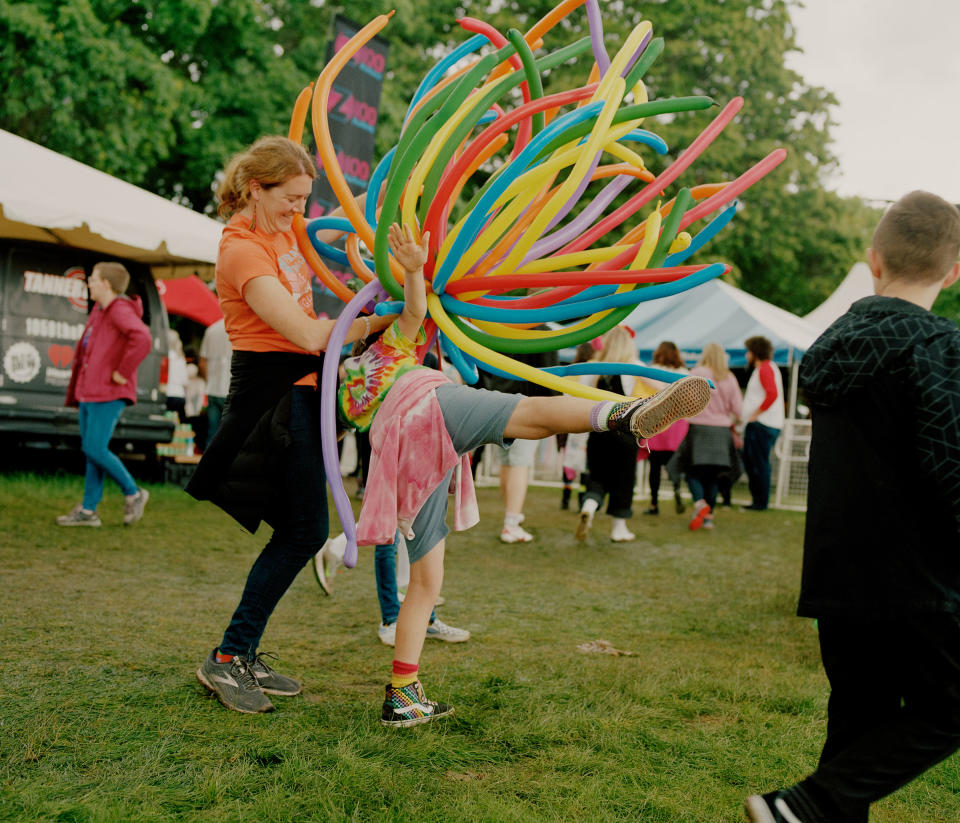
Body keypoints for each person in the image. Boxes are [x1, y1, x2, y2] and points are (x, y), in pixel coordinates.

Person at [340, 223, 711, 727]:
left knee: (426, 583)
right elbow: (414, 311)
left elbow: (343, 413)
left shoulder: (348, 384)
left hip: (403, 463)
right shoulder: (392, 350)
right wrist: (411, 271)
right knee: (529, 414)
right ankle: (620, 414)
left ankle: (402, 695)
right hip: (431, 409)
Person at [746, 191, 960, 823]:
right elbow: (951, 465)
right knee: (948, 706)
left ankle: (807, 812)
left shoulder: (828, 346)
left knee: (858, 726)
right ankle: (806, 805)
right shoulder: (938, 348)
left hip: (840, 574)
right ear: (953, 272)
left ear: (874, 260)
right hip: (917, 579)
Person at [185, 135, 393, 715]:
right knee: (303, 532)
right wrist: (377, 322)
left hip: (301, 394)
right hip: (271, 400)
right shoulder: (242, 250)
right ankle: (228, 658)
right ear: (256, 188)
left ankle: (239, 653)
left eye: (306, 199)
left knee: (298, 531)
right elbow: (305, 335)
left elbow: (351, 220)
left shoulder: (284, 233)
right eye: (291, 198)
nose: (300, 210)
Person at [57, 261, 152, 528]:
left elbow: (142, 338)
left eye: (94, 279)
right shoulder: (101, 310)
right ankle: (88, 512)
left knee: (94, 448)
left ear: (107, 284)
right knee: (92, 451)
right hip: (91, 391)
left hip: (107, 392)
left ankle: (133, 492)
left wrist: (122, 371)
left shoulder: (119, 309)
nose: (89, 282)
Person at [576, 326, 644, 542]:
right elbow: (660, 386)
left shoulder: (594, 368)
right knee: (623, 481)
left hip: (598, 431)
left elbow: (576, 395)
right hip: (625, 434)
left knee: (597, 477)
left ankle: (589, 505)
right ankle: (619, 528)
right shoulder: (634, 366)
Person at [673, 343, 742, 531]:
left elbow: (680, 397)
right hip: (721, 432)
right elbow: (738, 409)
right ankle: (708, 518)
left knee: (692, 472)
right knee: (713, 476)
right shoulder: (729, 377)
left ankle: (699, 503)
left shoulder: (696, 373)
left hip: (698, 429)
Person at [641, 341, 689, 516]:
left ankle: (654, 504)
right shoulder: (685, 373)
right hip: (677, 423)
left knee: (654, 466)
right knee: (673, 463)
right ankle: (676, 488)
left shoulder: (652, 370)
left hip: (657, 421)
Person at [741, 335, 783, 511]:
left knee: (758, 463)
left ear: (755, 352)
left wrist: (755, 414)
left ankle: (759, 501)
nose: (746, 355)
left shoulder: (765, 368)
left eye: (748, 351)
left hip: (763, 424)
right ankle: (758, 500)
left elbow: (771, 393)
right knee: (756, 462)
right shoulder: (766, 368)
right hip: (764, 423)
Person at [198, 317, 232, 443]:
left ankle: (209, 461)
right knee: (229, 435)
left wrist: (209, 380)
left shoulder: (211, 330)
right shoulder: (238, 329)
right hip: (231, 389)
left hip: (213, 389)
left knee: (212, 432)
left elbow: (202, 362)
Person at [164, 329, 188, 420]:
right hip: (179, 394)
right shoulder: (180, 359)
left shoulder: (162, 359)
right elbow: (185, 381)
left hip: (166, 393)